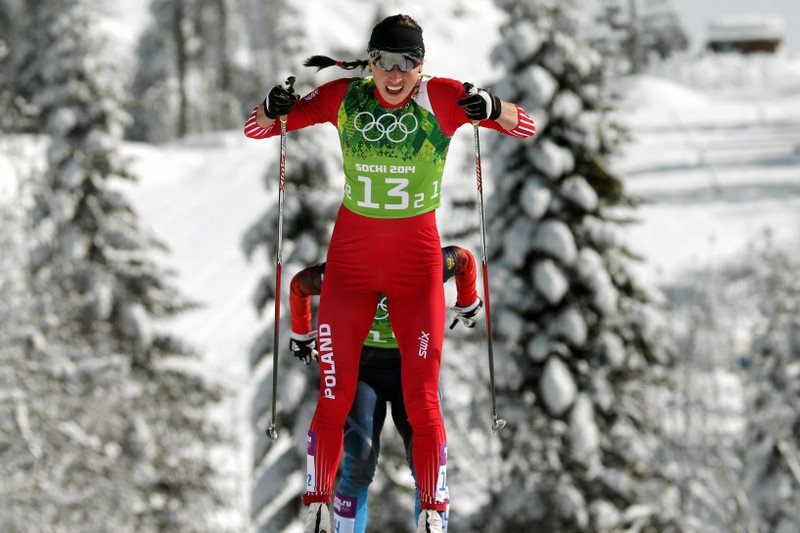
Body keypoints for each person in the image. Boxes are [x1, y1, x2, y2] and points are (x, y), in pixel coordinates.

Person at [244, 13, 534, 533]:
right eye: (384, 62)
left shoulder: (443, 98)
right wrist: (273, 108)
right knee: (333, 395)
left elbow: (525, 125)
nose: (395, 76)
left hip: (415, 266)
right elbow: (258, 129)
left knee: (422, 398)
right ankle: (318, 506)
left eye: (409, 64)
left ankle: (433, 512)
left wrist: (494, 107)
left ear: (423, 66)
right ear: (370, 62)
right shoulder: (344, 98)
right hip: (352, 265)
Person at [289, 245, 482, 533]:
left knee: (426, 466)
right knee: (360, 460)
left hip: (413, 368)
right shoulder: (344, 271)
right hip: (364, 371)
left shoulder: (428, 263)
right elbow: (299, 286)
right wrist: (302, 332)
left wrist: (468, 300)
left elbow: (464, 260)